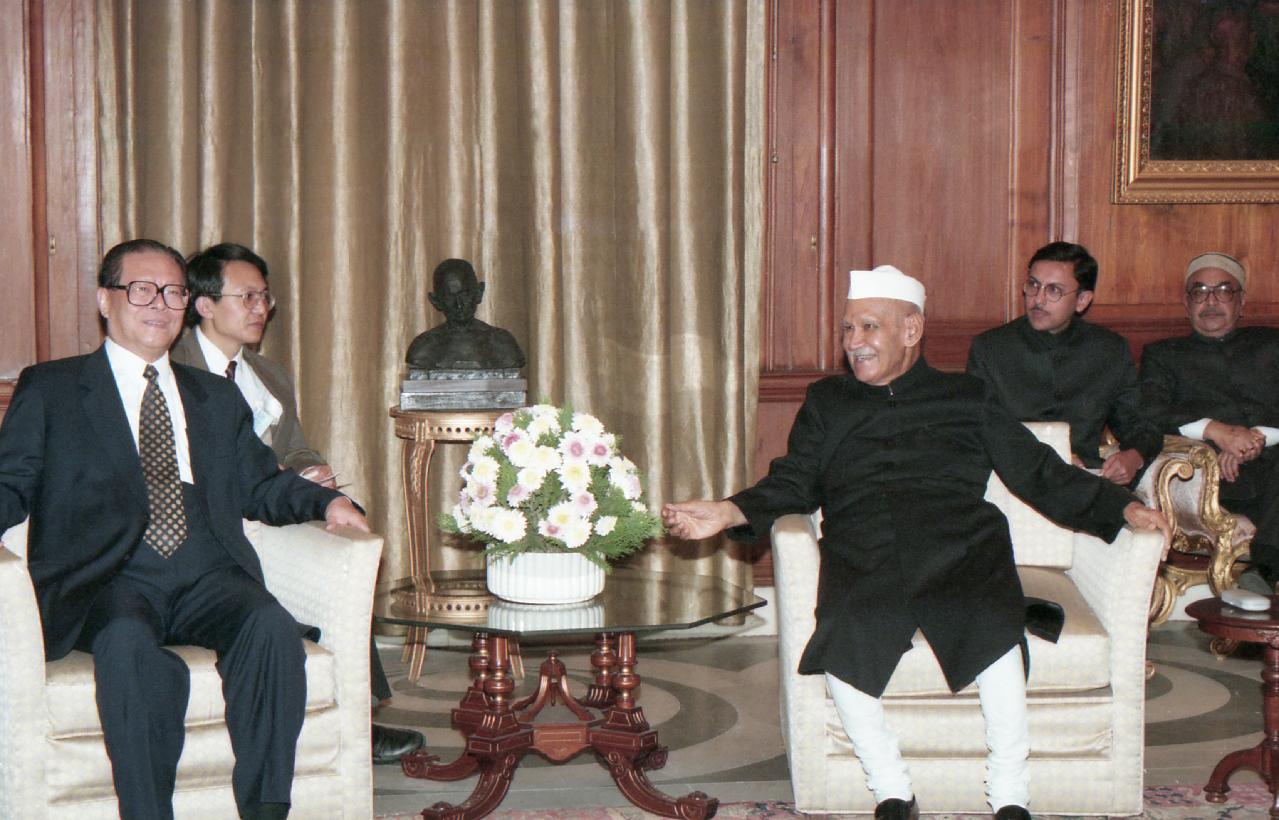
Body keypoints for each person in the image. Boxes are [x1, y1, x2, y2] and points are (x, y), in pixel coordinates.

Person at [662, 265, 1169, 820]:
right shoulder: (828, 401)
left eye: (869, 327)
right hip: (864, 547)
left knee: (995, 635)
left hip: (961, 544)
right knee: (841, 642)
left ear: (911, 330)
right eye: (848, 328)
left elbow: (1038, 471)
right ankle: (891, 790)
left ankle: (1010, 796)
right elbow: (794, 480)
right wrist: (728, 510)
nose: (854, 341)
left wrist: (1123, 508)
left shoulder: (967, 395)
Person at [0, 239, 370, 820]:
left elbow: (259, 484)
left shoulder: (214, 396)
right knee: (127, 644)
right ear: (105, 300)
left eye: (174, 292)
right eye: (142, 290)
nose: (160, 304)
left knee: (271, 628)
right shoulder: (53, 389)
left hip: (206, 570)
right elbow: (10, 482)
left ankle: (266, 810)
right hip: (111, 576)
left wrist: (327, 503)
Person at [171, 241, 424, 765]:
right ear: (204, 304)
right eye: (246, 297)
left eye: (264, 297)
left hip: (274, 505)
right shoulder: (173, 370)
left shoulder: (270, 375)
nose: (260, 308)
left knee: (345, 529)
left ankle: (359, 714)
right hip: (213, 520)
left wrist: (311, 474)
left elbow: (296, 448)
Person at [966, 242, 1163, 485]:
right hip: (1010, 481)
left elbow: (1139, 423)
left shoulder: (1109, 350)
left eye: (1053, 290)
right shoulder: (990, 348)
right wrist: (1055, 455)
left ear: (1082, 300)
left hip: (1084, 482)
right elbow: (979, 427)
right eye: (1033, 285)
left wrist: (1134, 457)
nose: (1038, 299)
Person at [1140, 251, 1279, 595]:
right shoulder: (1163, 355)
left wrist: (1256, 437)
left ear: (1241, 301)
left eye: (1224, 290)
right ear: (1187, 304)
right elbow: (1149, 413)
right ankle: (1265, 572)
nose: (1211, 301)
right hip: (1211, 477)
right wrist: (1217, 432)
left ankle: (1263, 569)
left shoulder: (1272, 344)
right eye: (1200, 291)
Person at [405, 258, 526, 371]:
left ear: (479, 292)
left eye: (465, 294)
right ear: (436, 301)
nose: (459, 304)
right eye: (450, 297)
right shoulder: (424, 348)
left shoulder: (501, 344)